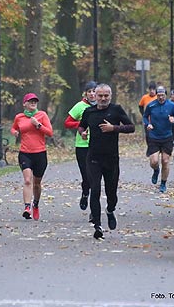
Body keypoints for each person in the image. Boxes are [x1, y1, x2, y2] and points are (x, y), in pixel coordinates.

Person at [78, 83, 135, 239]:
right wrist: (83, 133)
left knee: (111, 193)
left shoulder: (116, 110)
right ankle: (97, 225)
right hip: (93, 158)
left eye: (106, 96)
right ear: (94, 96)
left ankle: (110, 210)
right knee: (94, 189)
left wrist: (114, 128)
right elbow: (81, 126)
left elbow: (131, 127)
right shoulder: (88, 111)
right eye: (100, 96)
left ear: (111, 96)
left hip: (111, 159)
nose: (103, 99)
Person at [11, 93, 53, 221]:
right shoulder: (19, 117)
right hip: (25, 153)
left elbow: (50, 133)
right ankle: (27, 207)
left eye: (35, 101)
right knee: (28, 180)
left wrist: (38, 125)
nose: (33, 103)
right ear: (25, 104)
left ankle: (36, 204)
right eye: (30, 101)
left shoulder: (42, 115)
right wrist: (15, 132)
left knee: (36, 183)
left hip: (40, 153)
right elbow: (13, 128)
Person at [64, 81, 97, 210]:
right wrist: (80, 124)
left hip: (97, 145)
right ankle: (85, 193)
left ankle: (94, 208)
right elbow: (67, 123)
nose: (92, 94)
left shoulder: (102, 106)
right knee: (86, 175)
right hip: (82, 145)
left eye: (94, 91)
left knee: (95, 176)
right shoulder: (80, 106)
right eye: (90, 92)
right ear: (86, 93)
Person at [143, 86, 174, 194]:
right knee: (154, 161)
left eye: (162, 95)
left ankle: (163, 183)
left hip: (167, 137)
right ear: (156, 95)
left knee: (165, 161)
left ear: (166, 95)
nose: (160, 97)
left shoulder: (172, 105)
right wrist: (148, 124)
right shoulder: (151, 105)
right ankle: (156, 170)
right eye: (158, 95)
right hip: (154, 137)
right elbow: (145, 117)